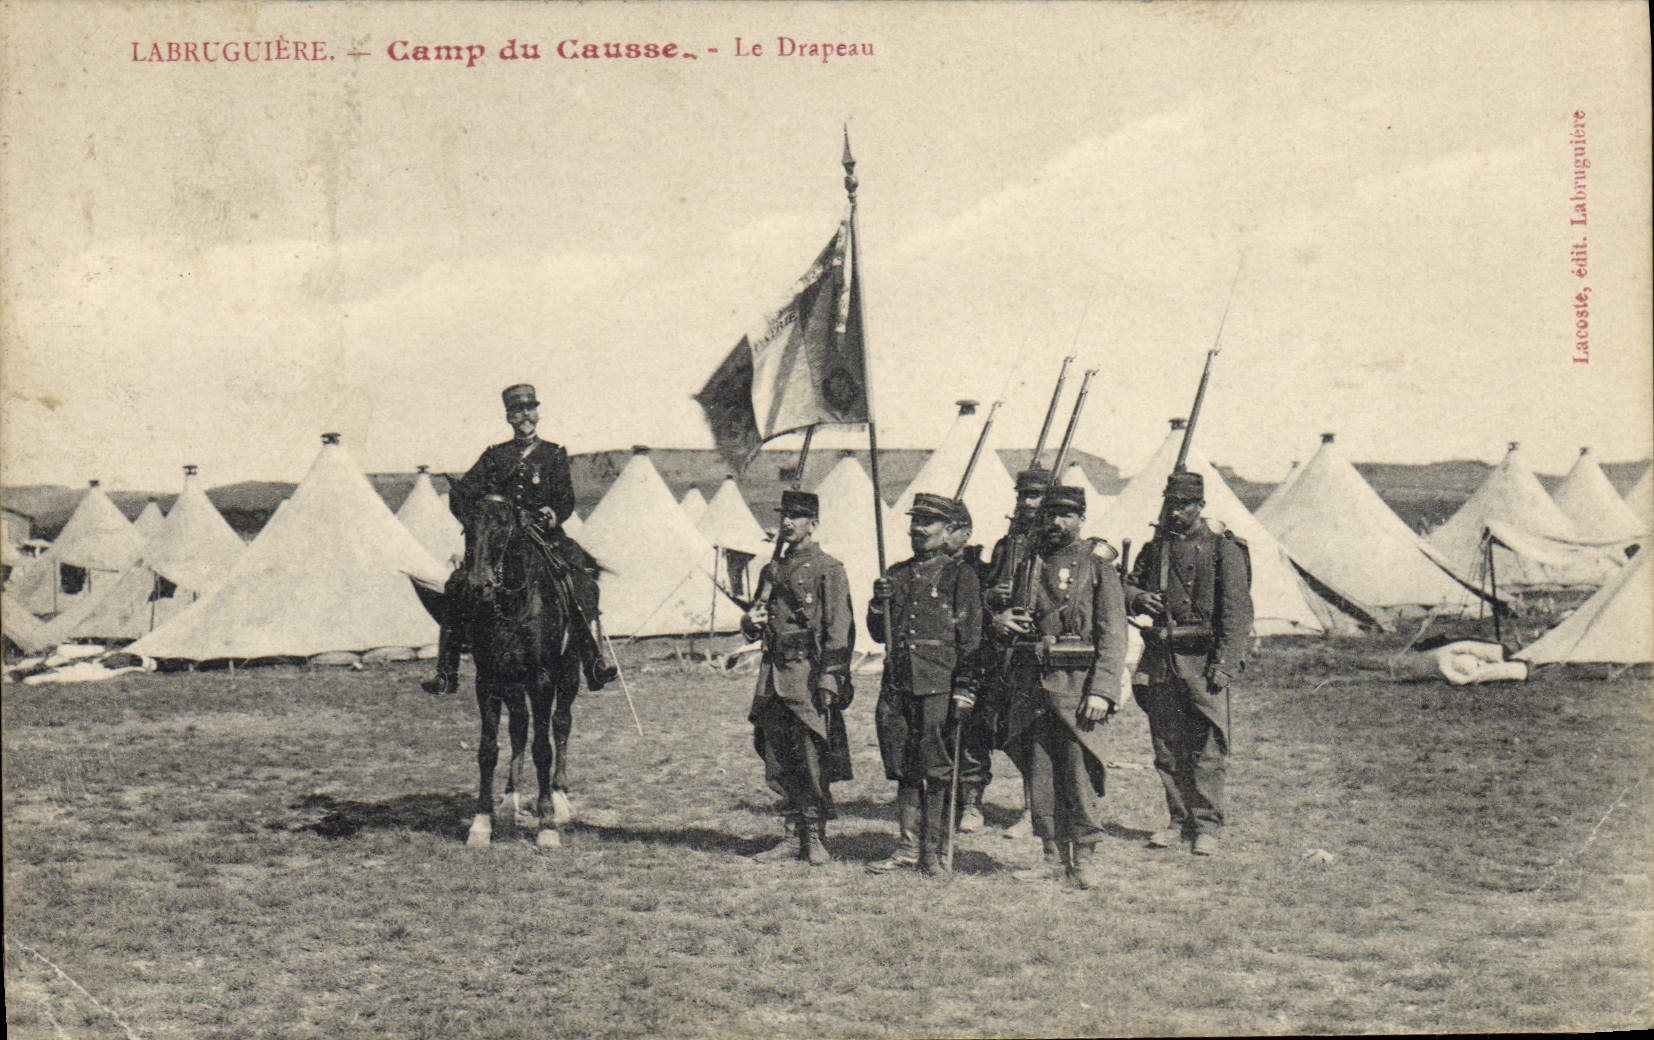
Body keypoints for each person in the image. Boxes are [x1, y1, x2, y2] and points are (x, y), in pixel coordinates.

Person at [421, 383, 619, 695]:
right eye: (517, 411)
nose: (525, 416)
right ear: (508, 417)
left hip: (545, 537)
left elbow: (565, 499)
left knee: (580, 581)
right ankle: (446, 670)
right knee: (457, 585)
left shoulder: (553, 453)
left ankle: (593, 661)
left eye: (529, 409)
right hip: (501, 542)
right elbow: (463, 494)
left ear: (537, 414)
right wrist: (478, 525)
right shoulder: (494, 455)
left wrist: (550, 514)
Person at [990, 484, 1127, 889]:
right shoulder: (1027, 563)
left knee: (1078, 775)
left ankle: (1083, 858)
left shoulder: (1096, 566)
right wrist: (1000, 621)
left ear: (1081, 519)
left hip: (1076, 688)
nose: (1055, 522)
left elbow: (1113, 632)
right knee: (1041, 776)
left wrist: (1102, 689)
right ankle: (1051, 856)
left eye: (1066, 515)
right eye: (1050, 514)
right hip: (1031, 685)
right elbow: (1009, 616)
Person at [1124, 471, 1253, 857]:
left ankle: (1207, 825)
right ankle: (1178, 820)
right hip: (1161, 659)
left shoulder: (1222, 550)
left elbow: (1237, 612)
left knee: (1208, 746)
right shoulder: (1156, 548)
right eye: (1171, 503)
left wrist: (1225, 663)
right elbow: (1125, 584)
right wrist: (1137, 598)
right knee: (1167, 746)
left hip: (1203, 660)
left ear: (1200, 506)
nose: (1176, 511)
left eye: (1184, 505)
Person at [866, 493, 982, 877]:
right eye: (915, 521)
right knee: (904, 766)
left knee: (936, 767)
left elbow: (971, 639)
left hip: (938, 684)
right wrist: (877, 604)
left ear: (948, 530)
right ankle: (906, 848)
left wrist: (965, 687)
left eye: (927, 522)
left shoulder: (961, 576)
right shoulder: (897, 574)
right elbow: (878, 633)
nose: (918, 529)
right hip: (898, 684)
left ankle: (932, 852)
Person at [741, 490, 856, 866]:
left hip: (807, 676)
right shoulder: (771, 570)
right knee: (779, 755)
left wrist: (830, 679)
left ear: (814, 524)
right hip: (773, 675)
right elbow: (756, 618)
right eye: (784, 516)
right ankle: (792, 835)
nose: (787, 522)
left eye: (797, 516)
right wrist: (749, 622)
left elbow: (839, 629)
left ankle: (815, 835)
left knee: (811, 756)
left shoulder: (828, 568)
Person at [973, 466, 1053, 838]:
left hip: (1041, 651)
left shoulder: (1056, 546)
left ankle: (1034, 810)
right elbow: (986, 592)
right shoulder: (1007, 545)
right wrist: (993, 597)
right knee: (1004, 730)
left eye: (1035, 495)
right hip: (1005, 652)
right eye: (1022, 495)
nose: (1027, 503)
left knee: (1035, 733)